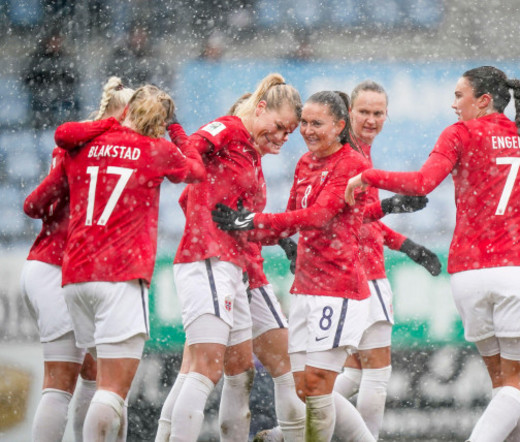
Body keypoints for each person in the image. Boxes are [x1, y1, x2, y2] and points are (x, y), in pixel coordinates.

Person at [345, 66, 520, 442]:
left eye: (460, 95)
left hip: (468, 273)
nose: (454, 103)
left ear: (483, 100)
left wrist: (371, 177)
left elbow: (422, 182)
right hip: (516, 268)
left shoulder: (459, 134)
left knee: (502, 386)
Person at [214, 90, 380, 442]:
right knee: (305, 387)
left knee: (318, 385)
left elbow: (318, 216)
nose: (306, 130)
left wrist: (250, 221)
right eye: (303, 122)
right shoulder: (305, 163)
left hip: (339, 289)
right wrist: (250, 229)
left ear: (339, 126)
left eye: (316, 123)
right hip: (306, 287)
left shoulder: (352, 164)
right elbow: (289, 223)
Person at [51, 84, 205, 441]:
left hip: (76, 275)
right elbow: (197, 170)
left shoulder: (84, 143)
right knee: (112, 391)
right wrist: (177, 130)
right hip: (119, 274)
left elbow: (63, 135)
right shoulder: (156, 149)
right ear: (160, 121)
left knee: (94, 382)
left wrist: (113, 123)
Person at [155, 84, 305, 442]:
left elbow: (239, 216)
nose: (283, 137)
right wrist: (173, 126)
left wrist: (281, 240)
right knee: (203, 368)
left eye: (289, 133)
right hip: (208, 257)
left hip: (231, 264)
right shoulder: (229, 129)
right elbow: (190, 153)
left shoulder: (251, 155)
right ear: (260, 108)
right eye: (280, 126)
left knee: (229, 371)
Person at [21, 76, 134, 442]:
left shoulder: (76, 146)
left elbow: (34, 205)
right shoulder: (115, 150)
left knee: (92, 372)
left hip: (50, 262)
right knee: (65, 381)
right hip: (62, 268)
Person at [331, 80, 441, 440]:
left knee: (354, 374)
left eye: (378, 113)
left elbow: (364, 221)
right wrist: (391, 206)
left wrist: (409, 246)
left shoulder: (357, 153)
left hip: (346, 271)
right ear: (349, 113)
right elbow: (345, 218)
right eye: (364, 111)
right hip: (363, 274)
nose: (371, 119)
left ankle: (292, 426)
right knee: (376, 374)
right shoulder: (351, 158)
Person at [22, 24, 80, 128]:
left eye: (58, 41)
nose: (56, 44)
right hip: (42, 96)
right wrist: (44, 88)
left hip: (62, 96)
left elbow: (74, 78)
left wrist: (61, 88)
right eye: (53, 40)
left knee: (72, 105)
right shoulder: (37, 59)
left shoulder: (65, 58)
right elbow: (28, 78)